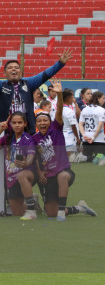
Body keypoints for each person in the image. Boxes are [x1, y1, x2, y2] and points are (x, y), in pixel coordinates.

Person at [32, 81, 97, 221]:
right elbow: (34, 157)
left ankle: (61, 211)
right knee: (50, 213)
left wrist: (60, 95)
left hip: (64, 172)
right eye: (39, 121)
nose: (42, 123)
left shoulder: (55, 130)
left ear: (50, 122)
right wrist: (39, 172)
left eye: (45, 120)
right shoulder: (35, 138)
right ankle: (80, 208)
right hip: (49, 177)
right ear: (36, 123)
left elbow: (59, 110)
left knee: (62, 177)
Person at [0, 47, 73, 134]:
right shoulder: (1, 86)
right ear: (4, 73)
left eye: (16, 67)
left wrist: (60, 63)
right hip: (7, 130)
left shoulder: (28, 83)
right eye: (10, 68)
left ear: (20, 72)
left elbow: (45, 75)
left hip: (28, 129)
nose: (13, 69)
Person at [0, 112, 38, 220]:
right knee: (17, 213)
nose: (17, 125)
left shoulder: (28, 139)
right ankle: (33, 201)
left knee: (22, 175)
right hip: (12, 178)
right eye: (14, 123)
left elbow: (31, 156)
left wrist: (26, 163)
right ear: (10, 124)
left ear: (25, 124)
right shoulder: (8, 138)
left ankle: (32, 211)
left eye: (20, 122)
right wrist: (0, 130)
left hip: (28, 174)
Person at [78, 91, 105, 162]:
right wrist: (93, 137)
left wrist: (84, 135)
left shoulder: (84, 109)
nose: (104, 100)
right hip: (98, 139)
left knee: (87, 160)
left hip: (86, 138)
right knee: (99, 159)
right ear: (98, 98)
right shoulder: (101, 110)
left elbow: (80, 124)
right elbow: (100, 125)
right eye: (103, 98)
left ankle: (84, 158)